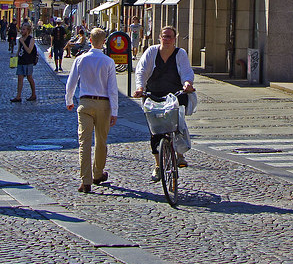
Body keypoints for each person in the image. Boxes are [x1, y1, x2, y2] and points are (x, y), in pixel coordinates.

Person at [133, 25, 195, 180]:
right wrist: (140, 88)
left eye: (170, 37)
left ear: (175, 39)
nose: (167, 39)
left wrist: (187, 83)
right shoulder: (152, 52)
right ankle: (158, 166)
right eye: (164, 36)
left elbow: (187, 71)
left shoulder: (180, 54)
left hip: (175, 95)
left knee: (178, 124)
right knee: (155, 132)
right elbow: (141, 70)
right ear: (159, 38)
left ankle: (180, 155)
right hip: (153, 95)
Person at [65, 28, 119, 193]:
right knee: (101, 141)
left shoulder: (81, 59)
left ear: (89, 39)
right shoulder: (108, 61)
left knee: (84, 143)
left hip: (85, 103)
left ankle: (85, 180)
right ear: (104, 42)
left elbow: (71, 82)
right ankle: (97, 174)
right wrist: (115, 111)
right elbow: (113, 89)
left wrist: (69, 100)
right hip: (103, 104)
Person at [12, 22, 38, 102]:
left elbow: (29, 50)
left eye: (23, 29)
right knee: (20, 78)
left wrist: (23, 42)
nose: (21, 31)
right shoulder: (20, 39)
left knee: (29, 78)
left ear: (28, 30)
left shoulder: (31, 39)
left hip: (28, 61)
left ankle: (33, 94)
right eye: (21, 29)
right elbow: (19, 50)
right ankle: (18, 96)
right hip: (21, 61)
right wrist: (14, 60)